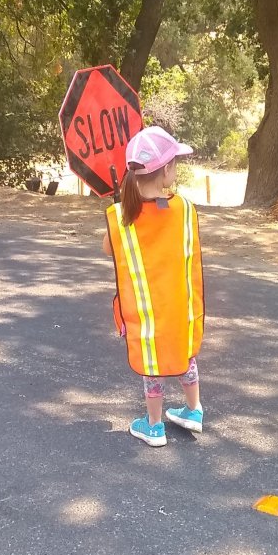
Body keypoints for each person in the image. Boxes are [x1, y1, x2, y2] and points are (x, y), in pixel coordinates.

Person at [102, 126, 205, 447]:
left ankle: (154, 425)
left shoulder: (123, 215)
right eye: (176, 163)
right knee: (184, 355)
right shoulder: (184, 209)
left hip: (146, 313)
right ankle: (193, 410)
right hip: (180, 308)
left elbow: (108, 249)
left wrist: (119, 213)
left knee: (152, 365)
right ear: (166, 170)